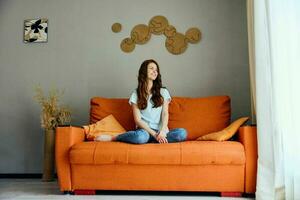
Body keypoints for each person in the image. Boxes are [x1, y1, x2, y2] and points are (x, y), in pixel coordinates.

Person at [96, 59, 187, 144]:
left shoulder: (163, 92)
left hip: (161, 132)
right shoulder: (136, 94)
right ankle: (114, 138)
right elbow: (138, 120)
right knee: (140, 137)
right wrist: (154, 134)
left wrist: (162, 131)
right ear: (144, 71)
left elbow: (165, 114)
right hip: (145, 132)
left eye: (156, 69)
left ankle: (157, 139)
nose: (155, 71)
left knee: (182, 133)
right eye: (151, 68)